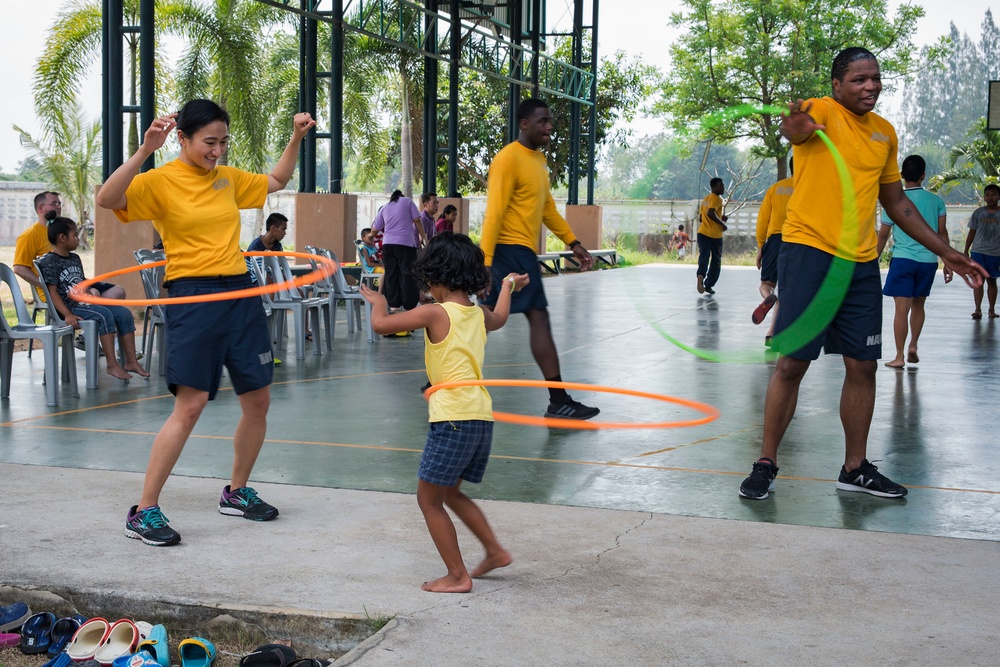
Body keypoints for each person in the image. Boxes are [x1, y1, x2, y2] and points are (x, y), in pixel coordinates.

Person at [738, 47, 986, 502]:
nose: (870, 86)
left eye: (875, 78)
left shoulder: (884, 134)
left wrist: (948, 252)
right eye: (858, 79)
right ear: (837, 85)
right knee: (792, 363)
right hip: (809, 252)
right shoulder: (822, 111)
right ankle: (766, 462)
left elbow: (898, 205)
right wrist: (793, 124)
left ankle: (855, 468)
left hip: (860, 261)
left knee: (864, 365)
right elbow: (793, 129)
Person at [96, 98, 317, 546]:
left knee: (258, 400)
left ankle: (236, 492)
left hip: (240, 293)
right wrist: (143, 151)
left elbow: (276, 180)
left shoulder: (227, 179)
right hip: (193, 297)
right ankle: (144, 510)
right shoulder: (160, 180)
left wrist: (296, 137)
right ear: (182, 139)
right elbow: (107, 199)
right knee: (191, 405)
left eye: (223, 142)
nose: (217, 151)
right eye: (208, 143)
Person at [359, 232, 526, 593]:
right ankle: (494, 551)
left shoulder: (436, 312)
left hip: (452, 418)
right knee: (450, 493)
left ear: (436, 277)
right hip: (480, 417)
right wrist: (509, 285)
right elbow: (500, 317)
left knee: (428, 499)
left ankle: (457, 575)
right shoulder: (477, 314)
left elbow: (381, 325)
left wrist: (379, 300)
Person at [479, 98, 599, 420]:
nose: (549, 126)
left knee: (482, 319)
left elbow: (547, 210)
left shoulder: (538, 161)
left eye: (550, 121)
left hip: (520, 251)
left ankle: (439, 379)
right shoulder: (507, 159)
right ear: (524, 124)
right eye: (543, 121)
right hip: (509, 250)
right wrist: (485, 262)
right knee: (534, 318)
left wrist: (572, 242)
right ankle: (558, 400)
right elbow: (495, 212)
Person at [36, 217, 149, 382]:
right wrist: (67, 314)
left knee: (124, 313)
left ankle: (131, 361)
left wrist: (91, 294)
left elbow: (82, 283)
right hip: (70, 308)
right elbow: (52, 292)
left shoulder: (75, 258)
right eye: (75, 235)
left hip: (85, 304)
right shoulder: (49, 261)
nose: (79, 238)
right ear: (62, 237)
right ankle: (111, 363)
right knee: (104, 315)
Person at [876, 155, 951, 368]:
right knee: (919, 305)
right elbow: (942, 232)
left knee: (902, 308)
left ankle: (899, 356)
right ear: (923, 175)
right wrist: (946, 260)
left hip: (903, 260)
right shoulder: (936, 201)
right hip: (928, 261)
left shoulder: (894, 202)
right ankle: (913, 346)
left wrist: (873, 261)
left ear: (901, 176)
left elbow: (883, 235)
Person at [753, 158, 794, 342]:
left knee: (767, 284)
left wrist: (761, 247)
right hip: (798, 241)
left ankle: (769, 296)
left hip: (776, 239)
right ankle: (772, 333)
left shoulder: (776, 188)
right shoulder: (809, 189)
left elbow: (763, 220)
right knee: (787, 289)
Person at [372, 190, 426, 312]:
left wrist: (370, 235)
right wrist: (424, 236)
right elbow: (417, 220)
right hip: (405, 244)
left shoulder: (385, 207)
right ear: (401, 196)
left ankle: (394, 305)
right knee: (407, 273)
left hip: (388, 245)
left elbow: (375, 228)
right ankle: (409, 304)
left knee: (391, 274)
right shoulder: (407, 201)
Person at [964, 183, 1000, 320]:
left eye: (994, 195)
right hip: (978, 252)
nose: (991, 198)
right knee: (978, 281)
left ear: (999, 197)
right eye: (988, 195)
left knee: (992, 281)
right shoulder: (978, 213)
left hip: (996, 253)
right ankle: (977, 309)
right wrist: (966, 250)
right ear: (984, 197)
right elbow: (971, 233)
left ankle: (991, 310)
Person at [696, 177, 728, 295]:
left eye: (723, 185)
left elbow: (701, 218)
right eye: (720, 186)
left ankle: (700, 275)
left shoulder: (705, 199)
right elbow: (710, 212)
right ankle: (708, 284)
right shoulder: (717, 199)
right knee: (716, 261)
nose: (723, 188)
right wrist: (722, 223)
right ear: (713, 187)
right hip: (715, 236)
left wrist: (719, 219)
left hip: (702, 233)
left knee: (704, 256)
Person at [246, 212, 288, 283]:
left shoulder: (278, 246)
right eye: (283, 229)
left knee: (299, 292)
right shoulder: (256, 246)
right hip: (256, 284)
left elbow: (280, 269)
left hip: (274, 283)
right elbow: (261, 274)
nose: (285, 233)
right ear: (273, 228)